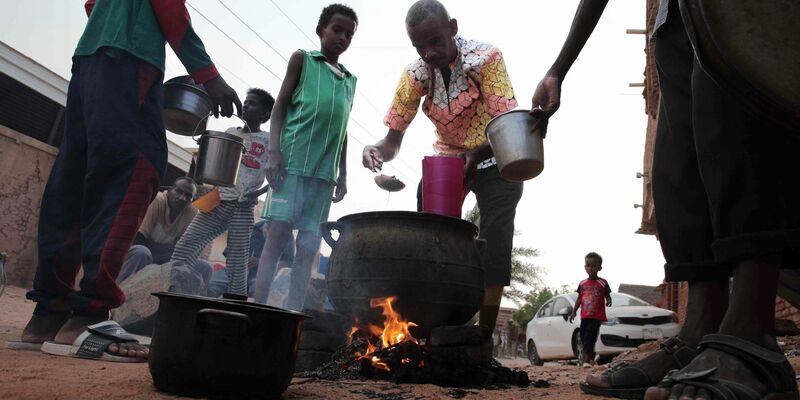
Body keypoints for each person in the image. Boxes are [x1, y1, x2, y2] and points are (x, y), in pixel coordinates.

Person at [531, 1, 800, 398]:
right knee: (678, 165)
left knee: (734, 128)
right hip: (674, 17)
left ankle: (752, 335)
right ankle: (700, 334)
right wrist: (559, 68)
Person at [16, 0, 241, 362]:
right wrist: (209, 76)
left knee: (74, 179)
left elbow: (93, 4)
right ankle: (91, 313)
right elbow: (168, 6)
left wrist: (117, 23)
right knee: (135, 170)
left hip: (89, 60)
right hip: (130, 61)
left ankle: (49, 313)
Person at [361, 0, 520, 334]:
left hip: (495, 154)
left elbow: (507, 125)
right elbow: (392, 141)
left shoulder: (486, 59)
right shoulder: (414, 74)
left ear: (453, 28)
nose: (428, 53)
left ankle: (483, 334)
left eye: (434, 41)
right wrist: (375, 151)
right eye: (419, 46)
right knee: (432, 239)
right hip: (448, 160)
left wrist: (475, 155)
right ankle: (434, 325)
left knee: (495, 242)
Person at [253, 4, 357, 311]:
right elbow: (279, 108)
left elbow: (343, 128)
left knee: (309, 245)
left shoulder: (349, 80)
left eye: (349, 34)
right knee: (277, 236)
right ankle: (258, 308)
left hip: (324, 175)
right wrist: (274, 153)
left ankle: (292, 314)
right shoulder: (303, 60)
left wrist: (343, 172)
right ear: (321, 30)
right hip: (291, 165)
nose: (343, 37)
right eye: (337, 30)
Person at [170, 88, 274, 298]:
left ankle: (235, 300)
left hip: (243, 206)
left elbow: (277, 174)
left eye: (252, 103)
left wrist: (258, 192)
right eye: (246, 102)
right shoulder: (231, 132)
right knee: (186, 244)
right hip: (218, 200)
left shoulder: (269, 140)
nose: (246, 106)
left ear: (265, 114)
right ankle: (174, 287)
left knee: (237, 261)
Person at [116, 176, 211, 284]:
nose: (182, 198)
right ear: (169, 190)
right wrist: (170, 250)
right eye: (179, 191)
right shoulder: (157, 200)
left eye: (188, 195)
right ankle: (117, 290)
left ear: (192, 199)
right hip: (136, 253)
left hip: (165, 259)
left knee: (204, 267)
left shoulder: (192, 212)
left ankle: (183, 295)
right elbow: (137, 240)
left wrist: (172, 251)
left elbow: (186, 250)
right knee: (141, 252)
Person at [207, 220, 295, 298]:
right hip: (234, 271)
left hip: (263, 276)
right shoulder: (249, 228)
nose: (271, 239)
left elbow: (288, 264)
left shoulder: (287, 236)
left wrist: (260, 262)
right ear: (265, 227)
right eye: (270, 235)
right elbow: (229, 253)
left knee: (261, 292)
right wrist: (241, 260)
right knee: (212, 286)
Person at [568, 252, 611, 368]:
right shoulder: (582, 283)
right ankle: (591, 357)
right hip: (585, 316)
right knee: (583, 337)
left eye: (593, 266)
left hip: (596, 316)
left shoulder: (603, 282)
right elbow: (579, 298)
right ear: (585, 267)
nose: (590, 268)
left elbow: (607, 295)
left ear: (599, 268)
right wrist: (573, 312)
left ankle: (586, 361)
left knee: (589, 337)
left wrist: (608, 300)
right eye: (588, 265)